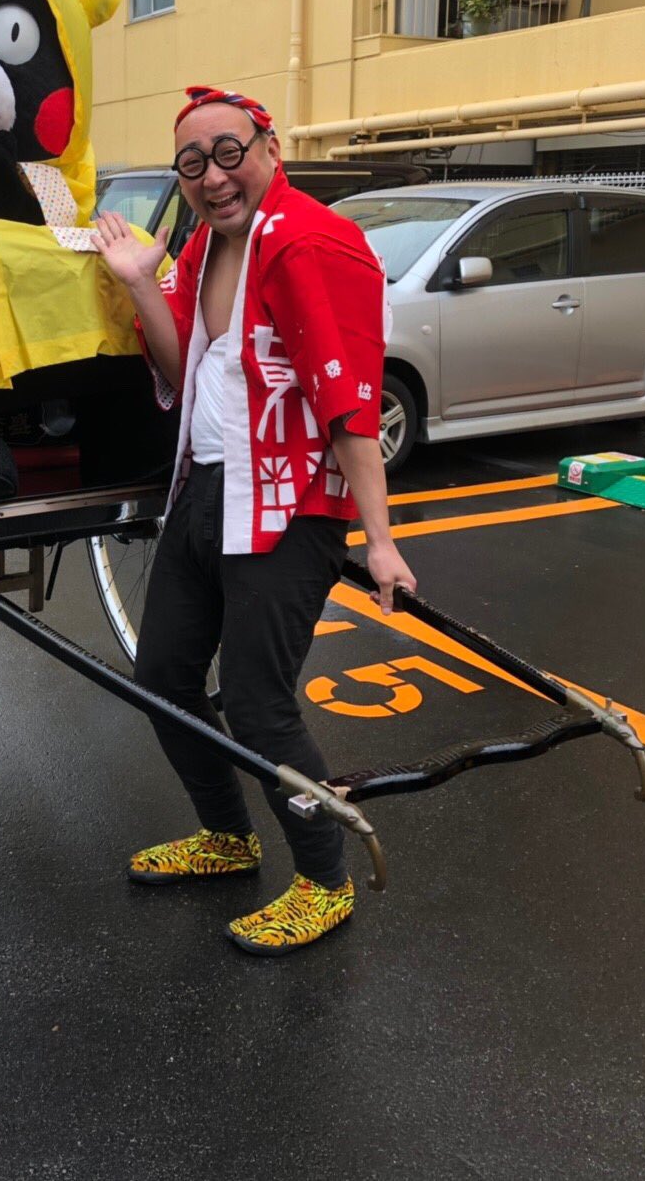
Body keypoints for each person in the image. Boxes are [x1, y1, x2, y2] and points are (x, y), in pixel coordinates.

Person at [91, 85, 417, 956]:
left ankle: (324, 879)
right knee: (161, 675)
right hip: (205, 490)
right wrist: (138, 282)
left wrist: (379, 539)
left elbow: (349, 403)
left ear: (270, 148)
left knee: (259, 704)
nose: (213, 176)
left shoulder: (313, 241)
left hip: (290, 503)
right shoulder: (204, 247)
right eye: (192, 163)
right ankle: (227, 837)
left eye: (229, 152)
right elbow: (181, 366)